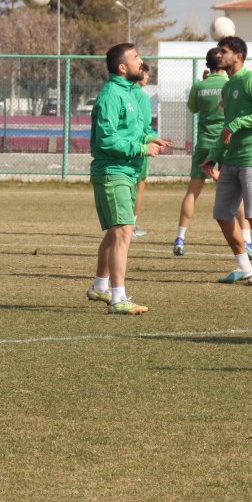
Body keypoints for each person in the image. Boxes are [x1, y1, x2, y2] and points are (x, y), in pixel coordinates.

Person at [87, 43, 169, 314]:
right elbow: (107, 139)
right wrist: (141, 148)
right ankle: (118, 298)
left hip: (127, 171)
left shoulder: (131, 93)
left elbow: (131, 131)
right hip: (113, 172)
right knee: (124, 232)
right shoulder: (111, 94)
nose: (141, 61)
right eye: (135, 58)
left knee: (116, 232)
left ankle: (100, 287)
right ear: (122, 68)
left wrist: (148, 137)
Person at [200, 36, 252, 285]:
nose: (218, 55)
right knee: (222, 214)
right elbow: (226, 126)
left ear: (238, 56)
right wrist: (213, 156)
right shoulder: (227, 86)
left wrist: (238, 123)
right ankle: (244, 265)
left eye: (223, 51)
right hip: (230, 160)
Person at [172, 50, 252, 259]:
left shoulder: (200, 86)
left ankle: (180, 238)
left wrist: (203, 83)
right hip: (227, 143)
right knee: (237, 194)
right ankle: (247, 241)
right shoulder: (229, 84)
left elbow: (192, 107)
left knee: (193, 191)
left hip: (204, 144)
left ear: (207, 65)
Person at [131, 62, 153, 238]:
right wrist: (155, 138)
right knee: (139, 186)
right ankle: (131, 224)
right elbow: (145, 125)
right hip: (140, 145)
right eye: (145, 73)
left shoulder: (123, 92)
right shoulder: (142, 96)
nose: (148, 76)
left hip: (125, 145)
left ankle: (123, 223)